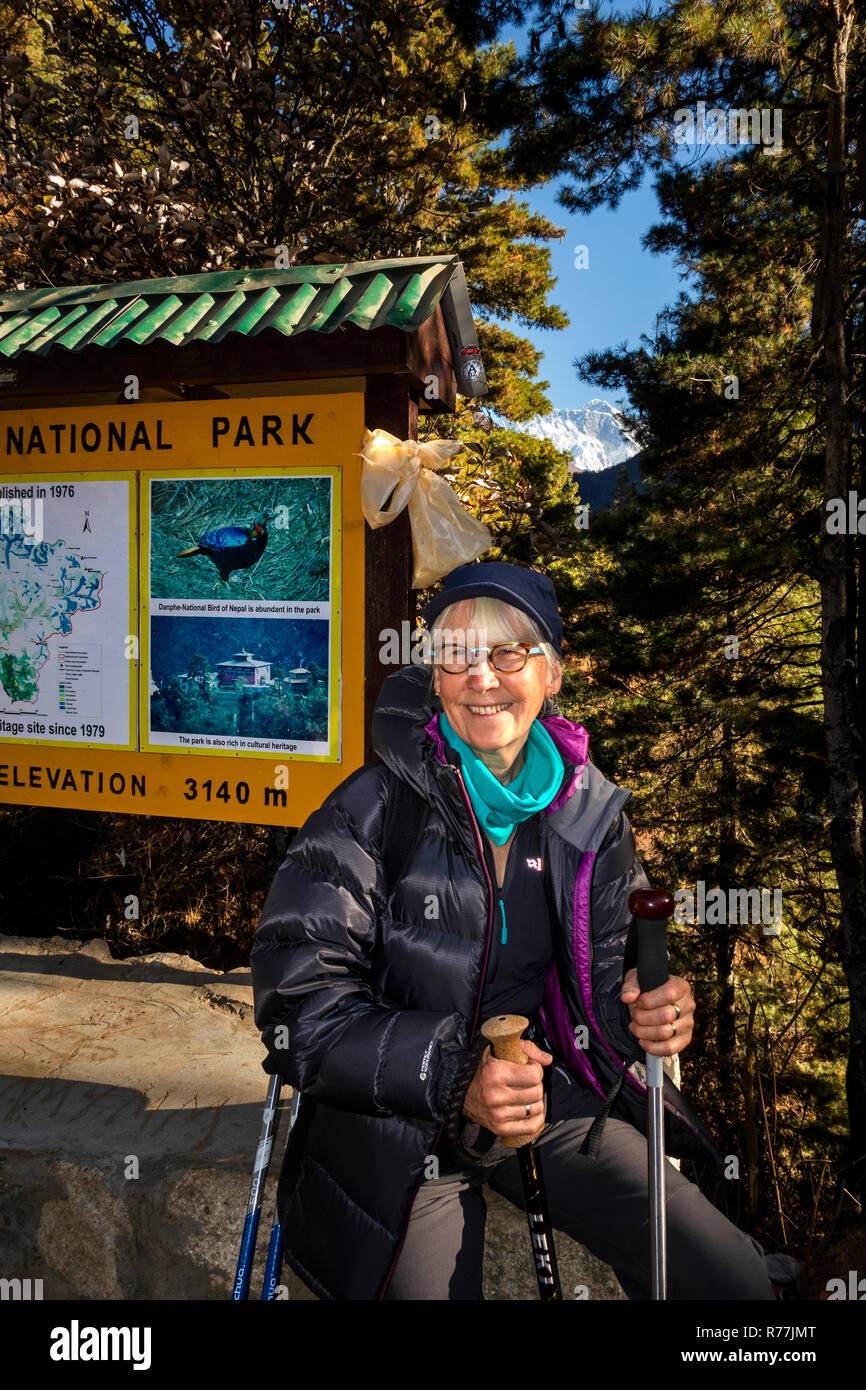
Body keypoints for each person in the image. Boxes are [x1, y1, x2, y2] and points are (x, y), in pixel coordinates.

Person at [251, 561, 775, 1301]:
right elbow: (296, 1005)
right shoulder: (370, 811)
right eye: (457, 656)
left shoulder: (589, 815)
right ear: (433, 678)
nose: (483, 678)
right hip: (402, 1132)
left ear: (552, 674)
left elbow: (614, 976)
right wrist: (457, 1078)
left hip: (548, 1099)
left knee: (733, 1283)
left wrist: (648, 1003)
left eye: (509, 653)